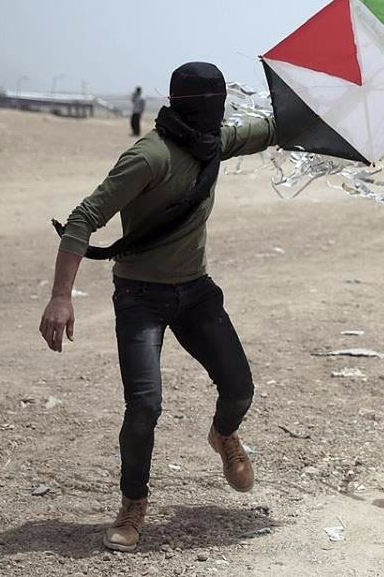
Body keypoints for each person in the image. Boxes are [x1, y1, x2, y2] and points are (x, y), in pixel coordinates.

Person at [39, 62, 275, 551]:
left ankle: (223, 435)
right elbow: (84, 218)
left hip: (196, 292)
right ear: (190, 107)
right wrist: (62, 296)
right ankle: (133, 505)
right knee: (145, 405)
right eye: (213, 105)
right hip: (140, 298)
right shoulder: (148, 157)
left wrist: (328, 120)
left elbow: (273, 130)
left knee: (240, 387)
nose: (221, 114)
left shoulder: (212, 142)